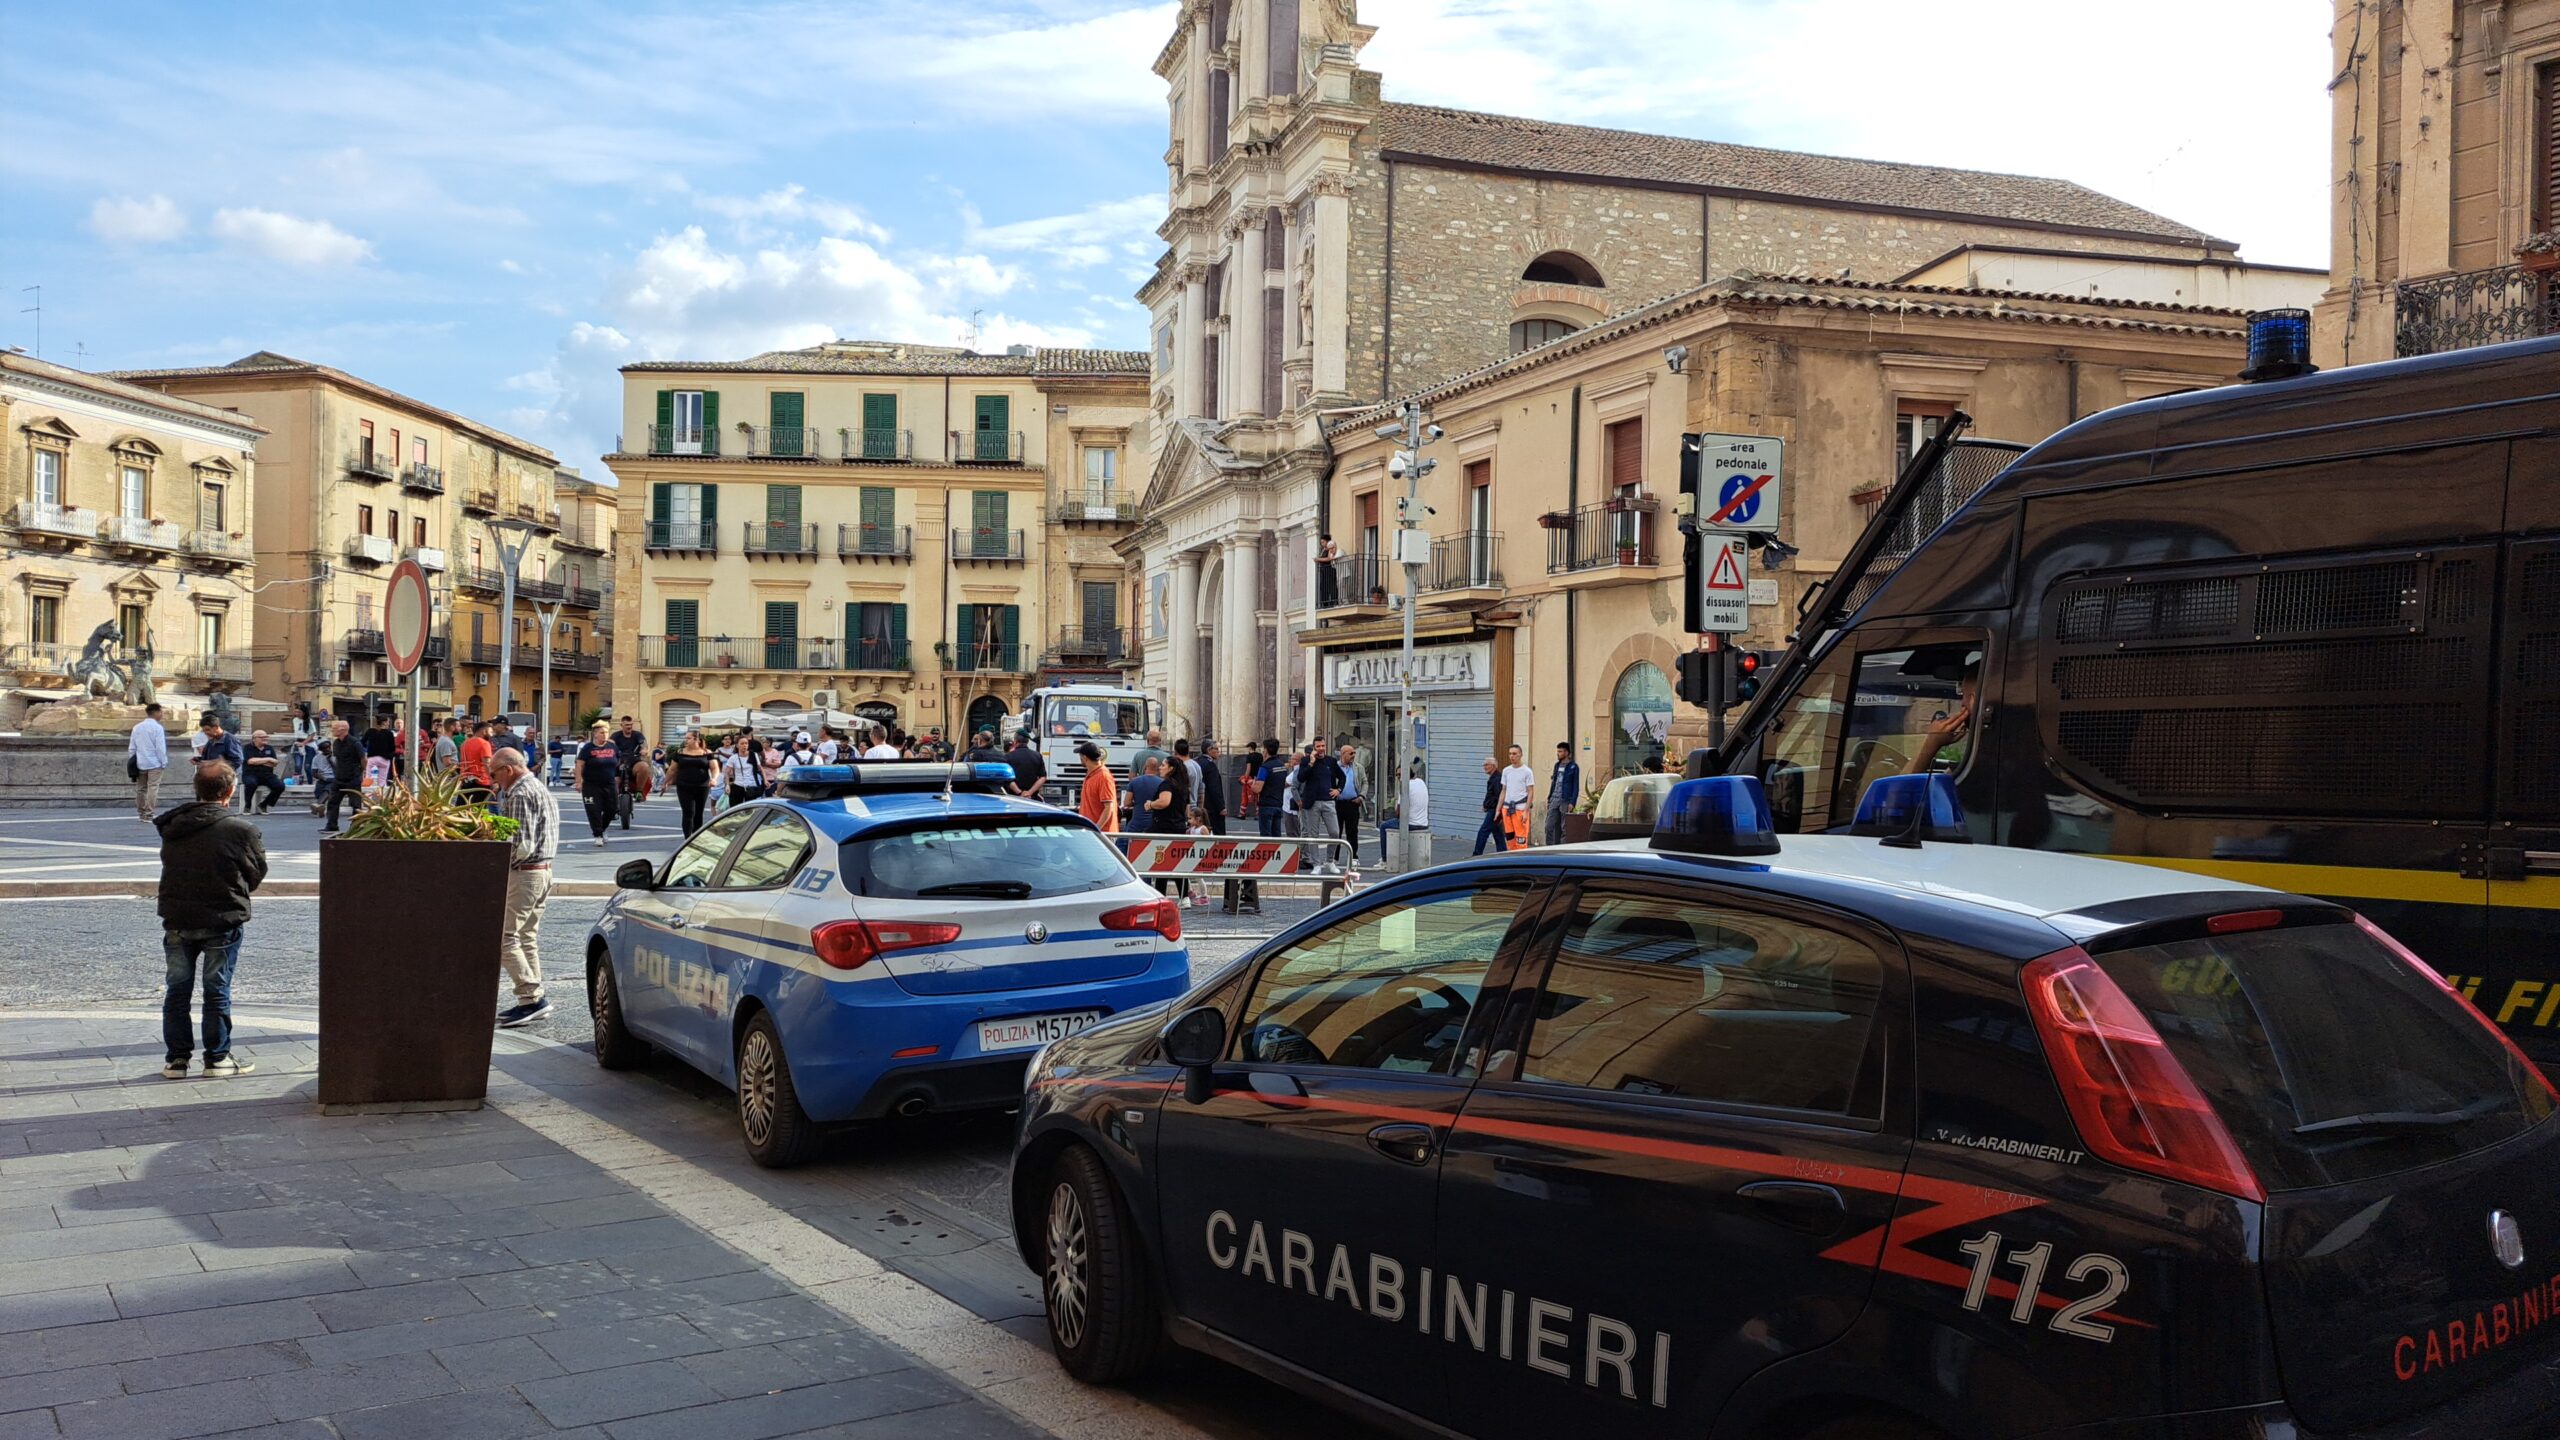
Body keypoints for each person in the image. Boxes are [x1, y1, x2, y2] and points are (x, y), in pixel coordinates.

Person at [155, 761, 268, 1078]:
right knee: (216, 989)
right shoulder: (240, 829)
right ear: (230, 791)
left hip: (178, 917)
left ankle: (176, 1060)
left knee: (177, 990)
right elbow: (256, 873)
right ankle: (217, 1057)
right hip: (222, 915)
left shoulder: (174, 825)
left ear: (196, 790)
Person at [487, 746, 559, 1028]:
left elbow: (521, 844)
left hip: (526, 873)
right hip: (544, 871)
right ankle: (531, 1000)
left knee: (505, 939)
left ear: (508, 769)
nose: (494, 780)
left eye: (495, 774)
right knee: (526, 936)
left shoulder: (519, 793)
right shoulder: (539, 787)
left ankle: (531, 995)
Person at [570, 721, 621, 847]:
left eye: (606, 732)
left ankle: (602, 829)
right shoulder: (588, 748)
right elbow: (579, 765)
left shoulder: (612, 747)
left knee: (612, 809)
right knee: (594, 810)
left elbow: (618, 762)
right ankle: (597, 834)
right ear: (595, 735)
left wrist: (618, 778)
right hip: (591, 785)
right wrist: (578, 782)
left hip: (609, 784)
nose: (605, 735)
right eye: (602, 733)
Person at [322, 720, 366, 833]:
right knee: (332, 802)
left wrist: (361, 772)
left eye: (334, 728)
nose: (332, 730)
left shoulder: (355, 743)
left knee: (356, 804)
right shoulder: (336, 743)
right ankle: (331, 825)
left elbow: (363, 759)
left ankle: (355, 827)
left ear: (342, 729)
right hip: (339, 778)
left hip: (353, 778)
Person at [128, 703, 169, 822]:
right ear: (156, 712)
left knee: (141, 788)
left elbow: (132, 747)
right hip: (155, 763)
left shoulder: (137, 727)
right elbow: (160, 748)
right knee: (153, 788)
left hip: (141, 762)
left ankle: (141, 813)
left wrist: (133, 760)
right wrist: (164, 762)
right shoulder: (157, 728)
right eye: (161, 712)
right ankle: (149, 813)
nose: (162, 715)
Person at [670, 732, 715, 834]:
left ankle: (695, 837)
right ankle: (687, 838)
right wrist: (665, 782)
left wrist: (714, 778)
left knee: (698, 813)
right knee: (688, 812)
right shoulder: (680, 752)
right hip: (684, 786)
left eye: (688, 738)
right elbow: (672, 769)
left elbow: (714, 767)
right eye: (686, 738)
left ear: (696, 740)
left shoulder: (707, 752)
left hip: (702, 786)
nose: (686, 740)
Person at [238, 730, 286, 813]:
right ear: (254, 739)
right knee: (251, 783)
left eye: (266, 737)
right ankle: (247, 805)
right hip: (251, 773)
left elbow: (274, 763)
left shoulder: (269, 748)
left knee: (280, 786)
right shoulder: (247, 747)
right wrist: (268, 759)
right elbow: (251, 761)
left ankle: (264, 804)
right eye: (262, 737)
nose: (265, 739)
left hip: (267, 774)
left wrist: (259, 761)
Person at [1498, 744, 1536, 848]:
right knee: (1510, 838)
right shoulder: (1506, 771)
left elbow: (1530, 792)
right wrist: (1498, 809)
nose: (1512, 756)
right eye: (1510, 754)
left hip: (1520, 808)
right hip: (1507, 809)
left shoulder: (1527, 771)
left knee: (1521, 839)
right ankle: (1511, 859)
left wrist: (1526, 811)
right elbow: (1503, 790)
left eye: (1514, 754)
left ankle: (1521, 861)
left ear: (1521, 754)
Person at [1075, 742, 1118, 833]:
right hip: (1093, 831)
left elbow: (1108, 807)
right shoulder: (1092, 774)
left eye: (1080, 756)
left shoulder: (1103, 776)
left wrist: (1096, 829)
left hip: (1102, 834)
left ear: (1085, 758)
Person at [1546, 741, 1583, 847]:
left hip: (1565, 799)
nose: (1558, 753)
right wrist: (1549, 798)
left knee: (1564, 827)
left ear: (1566, 753)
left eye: (1560, 751)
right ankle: (1549, 847)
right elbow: (1553, 783)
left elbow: (1575, 786)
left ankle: (1562, 847)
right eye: (1557, 751)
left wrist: (1572, 802)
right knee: (1549, 825)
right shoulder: (1557, 765)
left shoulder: (1573, 767)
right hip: (1554, 798)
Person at [1334, 742, 1362, 859]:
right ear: (1343, 754)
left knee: (1352, 832)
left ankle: (1353, 857)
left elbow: (1364, 782)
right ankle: (1334, 858)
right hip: (1338, 803)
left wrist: (1361, 796)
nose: (1353, 755)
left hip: (1352, 803)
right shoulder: (1335, 767)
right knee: (1336, 832)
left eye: (1354, 753)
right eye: (1351, 753)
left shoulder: (1358, 767)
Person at [458, 719, 495, 804]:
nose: (492, 734)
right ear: (484, 731)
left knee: (463, 809)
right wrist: (493, 780)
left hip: (466, 780)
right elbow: (487, 763)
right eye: (491, 732)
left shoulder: (465, 743)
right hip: (481, 781)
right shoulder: (484, 743)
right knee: (479, 810)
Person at [723, 733, 765, 807]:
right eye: (742, 743)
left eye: (746, 743)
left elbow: (760, 768)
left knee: (750, 810)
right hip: (738, 785)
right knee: (735, 809)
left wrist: (765, 780)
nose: (744, 745)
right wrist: (727, 785)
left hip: (751, 786)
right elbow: (727, 773)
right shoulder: (733, 758)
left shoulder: (754, 755)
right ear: (737, 745)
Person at [1256, 739, 1287, 837]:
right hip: (1278, 804)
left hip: (1266, 805)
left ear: (1266, 750)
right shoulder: (1282, 766)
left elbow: (1257, 788)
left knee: (1266, 836)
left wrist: (1253, 783)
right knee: (1277, 836)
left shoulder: (1265, 767)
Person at [1005, 729, 1048, 800]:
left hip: (1013, 798)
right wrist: (1029, 792)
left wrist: (1020, 793)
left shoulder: (1008, 756)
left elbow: (1007, 778)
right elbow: (1043, 777)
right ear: (1027, 741)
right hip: (1032, 798)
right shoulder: (1037, 756)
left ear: (1015, 741)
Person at [1403, 761, 1431, 866]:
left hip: (1411, 824)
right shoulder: (1421, 782)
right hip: (1424, 822)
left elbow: (1399, 812)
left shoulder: (1405, 786)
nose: (1397, 777)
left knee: (1384, 826)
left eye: (1398, 775)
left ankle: (1385, 859)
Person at [1316, 533, 1341, 608]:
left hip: (1329, 570)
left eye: (1323, 542)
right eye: (1321, 543)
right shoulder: (1324, 550)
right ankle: (1325, 603)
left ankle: (1333, 602)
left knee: (1331, 586)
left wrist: (1318, 559)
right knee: (1323, 587)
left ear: (1327, 541)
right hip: (1324, 571)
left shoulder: (1330, 548)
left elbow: (1329, 558)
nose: (1322, 544)